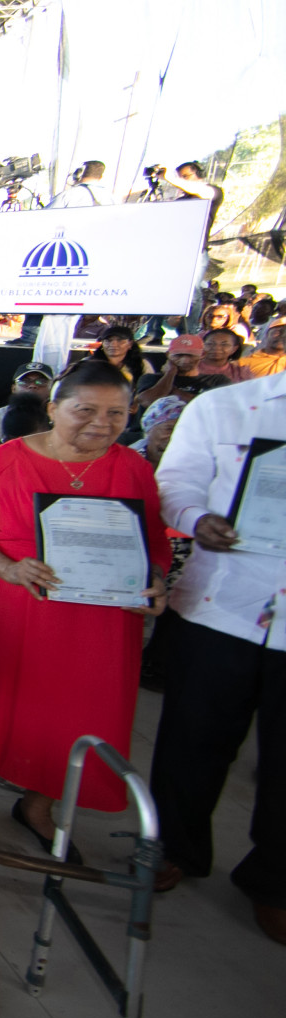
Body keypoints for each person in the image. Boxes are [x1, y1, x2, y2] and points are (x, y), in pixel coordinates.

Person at [0, 359, 169, 859]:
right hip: (15, 610)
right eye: (86, 410)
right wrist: (8, 567)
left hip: (100, 624)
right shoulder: (3, 462)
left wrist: (154, 580)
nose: (101, 424)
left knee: (80, 715)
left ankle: (39, 805)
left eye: (116, 413)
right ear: (54, 408)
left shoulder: (133, 468)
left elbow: (152, 540)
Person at [147, 371, 286, 942]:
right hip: (220, 605)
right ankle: (174, 846)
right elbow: (175, 483)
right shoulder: (225, 407)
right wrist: (195, 519)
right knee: (192, 737)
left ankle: (275, 881)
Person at [0, 361, 53, 448]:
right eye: (24, 381)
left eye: (41, 381)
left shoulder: (59, 418)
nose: (32, 385)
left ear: (52, 388)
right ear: (13, 389)